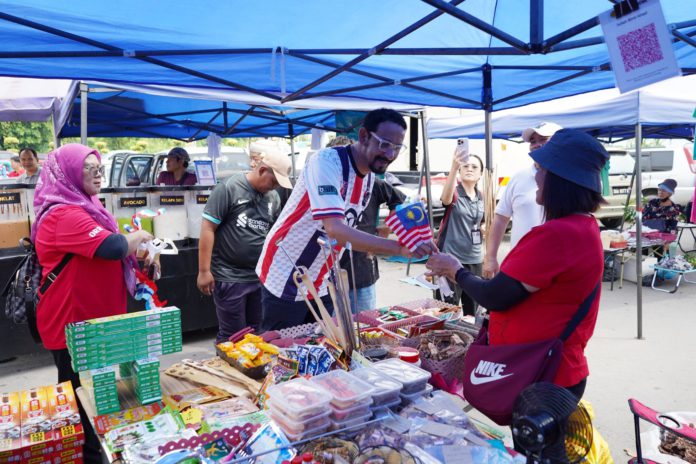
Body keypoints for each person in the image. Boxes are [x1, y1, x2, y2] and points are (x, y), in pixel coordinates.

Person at [426, 129, 608, 403]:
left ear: (561, 182)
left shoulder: (558, 234)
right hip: (555, 368)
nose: (536, 177)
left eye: (541, 170)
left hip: (543, 373)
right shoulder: (583, 225)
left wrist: (455, 270)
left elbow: (495, 296)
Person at [256, 108, 436, 331]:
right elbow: (336, 230)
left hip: (322, 279)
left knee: (319, 345)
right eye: (384, 144)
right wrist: (398, 248)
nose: (390, 154)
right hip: (286, 274)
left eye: (398, 148)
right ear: (364, 136)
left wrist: (417, 234)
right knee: (282, 347)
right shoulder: (326, 162)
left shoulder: (369, 177)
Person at [32, 144, 153, 464]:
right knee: (79, 397)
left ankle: (92, 449)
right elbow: (112, 246)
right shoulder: (64, 214)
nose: (99, 175)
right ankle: (86, 455)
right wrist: (139, 237)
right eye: (90, 169)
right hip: (72, 321)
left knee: (94, 390)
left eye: (100, 168)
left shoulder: (86, 203)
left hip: (92, 318)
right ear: (67, 174)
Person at [197, 147, 290, 343]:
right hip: (229, 276)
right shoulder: (229, 188)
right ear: (262, 170)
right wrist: (204, 271)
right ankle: (225, 364)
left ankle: (250, 363)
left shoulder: (273, 197)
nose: (274, 187)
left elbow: (273, 235)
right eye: (273, 181)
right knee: (232, 336)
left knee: (255, 334)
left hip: (258, 277)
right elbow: (207, 229)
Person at [483, 121, 561, 278]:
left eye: (543, 139)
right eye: (533, 141)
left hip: (557, 267)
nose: (536, 145)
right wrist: (490, 257)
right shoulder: (519, 178)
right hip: (521, 266)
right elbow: (500, 219)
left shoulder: (568, 179)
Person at [339, 176, 406, 313]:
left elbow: (398, 199)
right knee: (335, 321)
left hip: (363, 265)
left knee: (366, 319)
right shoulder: (332, 180)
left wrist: (388, 226)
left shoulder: (370, 182)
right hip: (332, 266)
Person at [436, 152, 485, 316]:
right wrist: (454, 166)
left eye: (474, 167)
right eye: (465, 166)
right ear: (460, 171)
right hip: (451, 259)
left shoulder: (482, 196)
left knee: (473, 314)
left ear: (480, 174)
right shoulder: (454, 192)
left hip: (475, 260)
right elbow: (445, 199)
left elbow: (483, 221)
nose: (469, 169)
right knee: (446, 311)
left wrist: (484, 227)